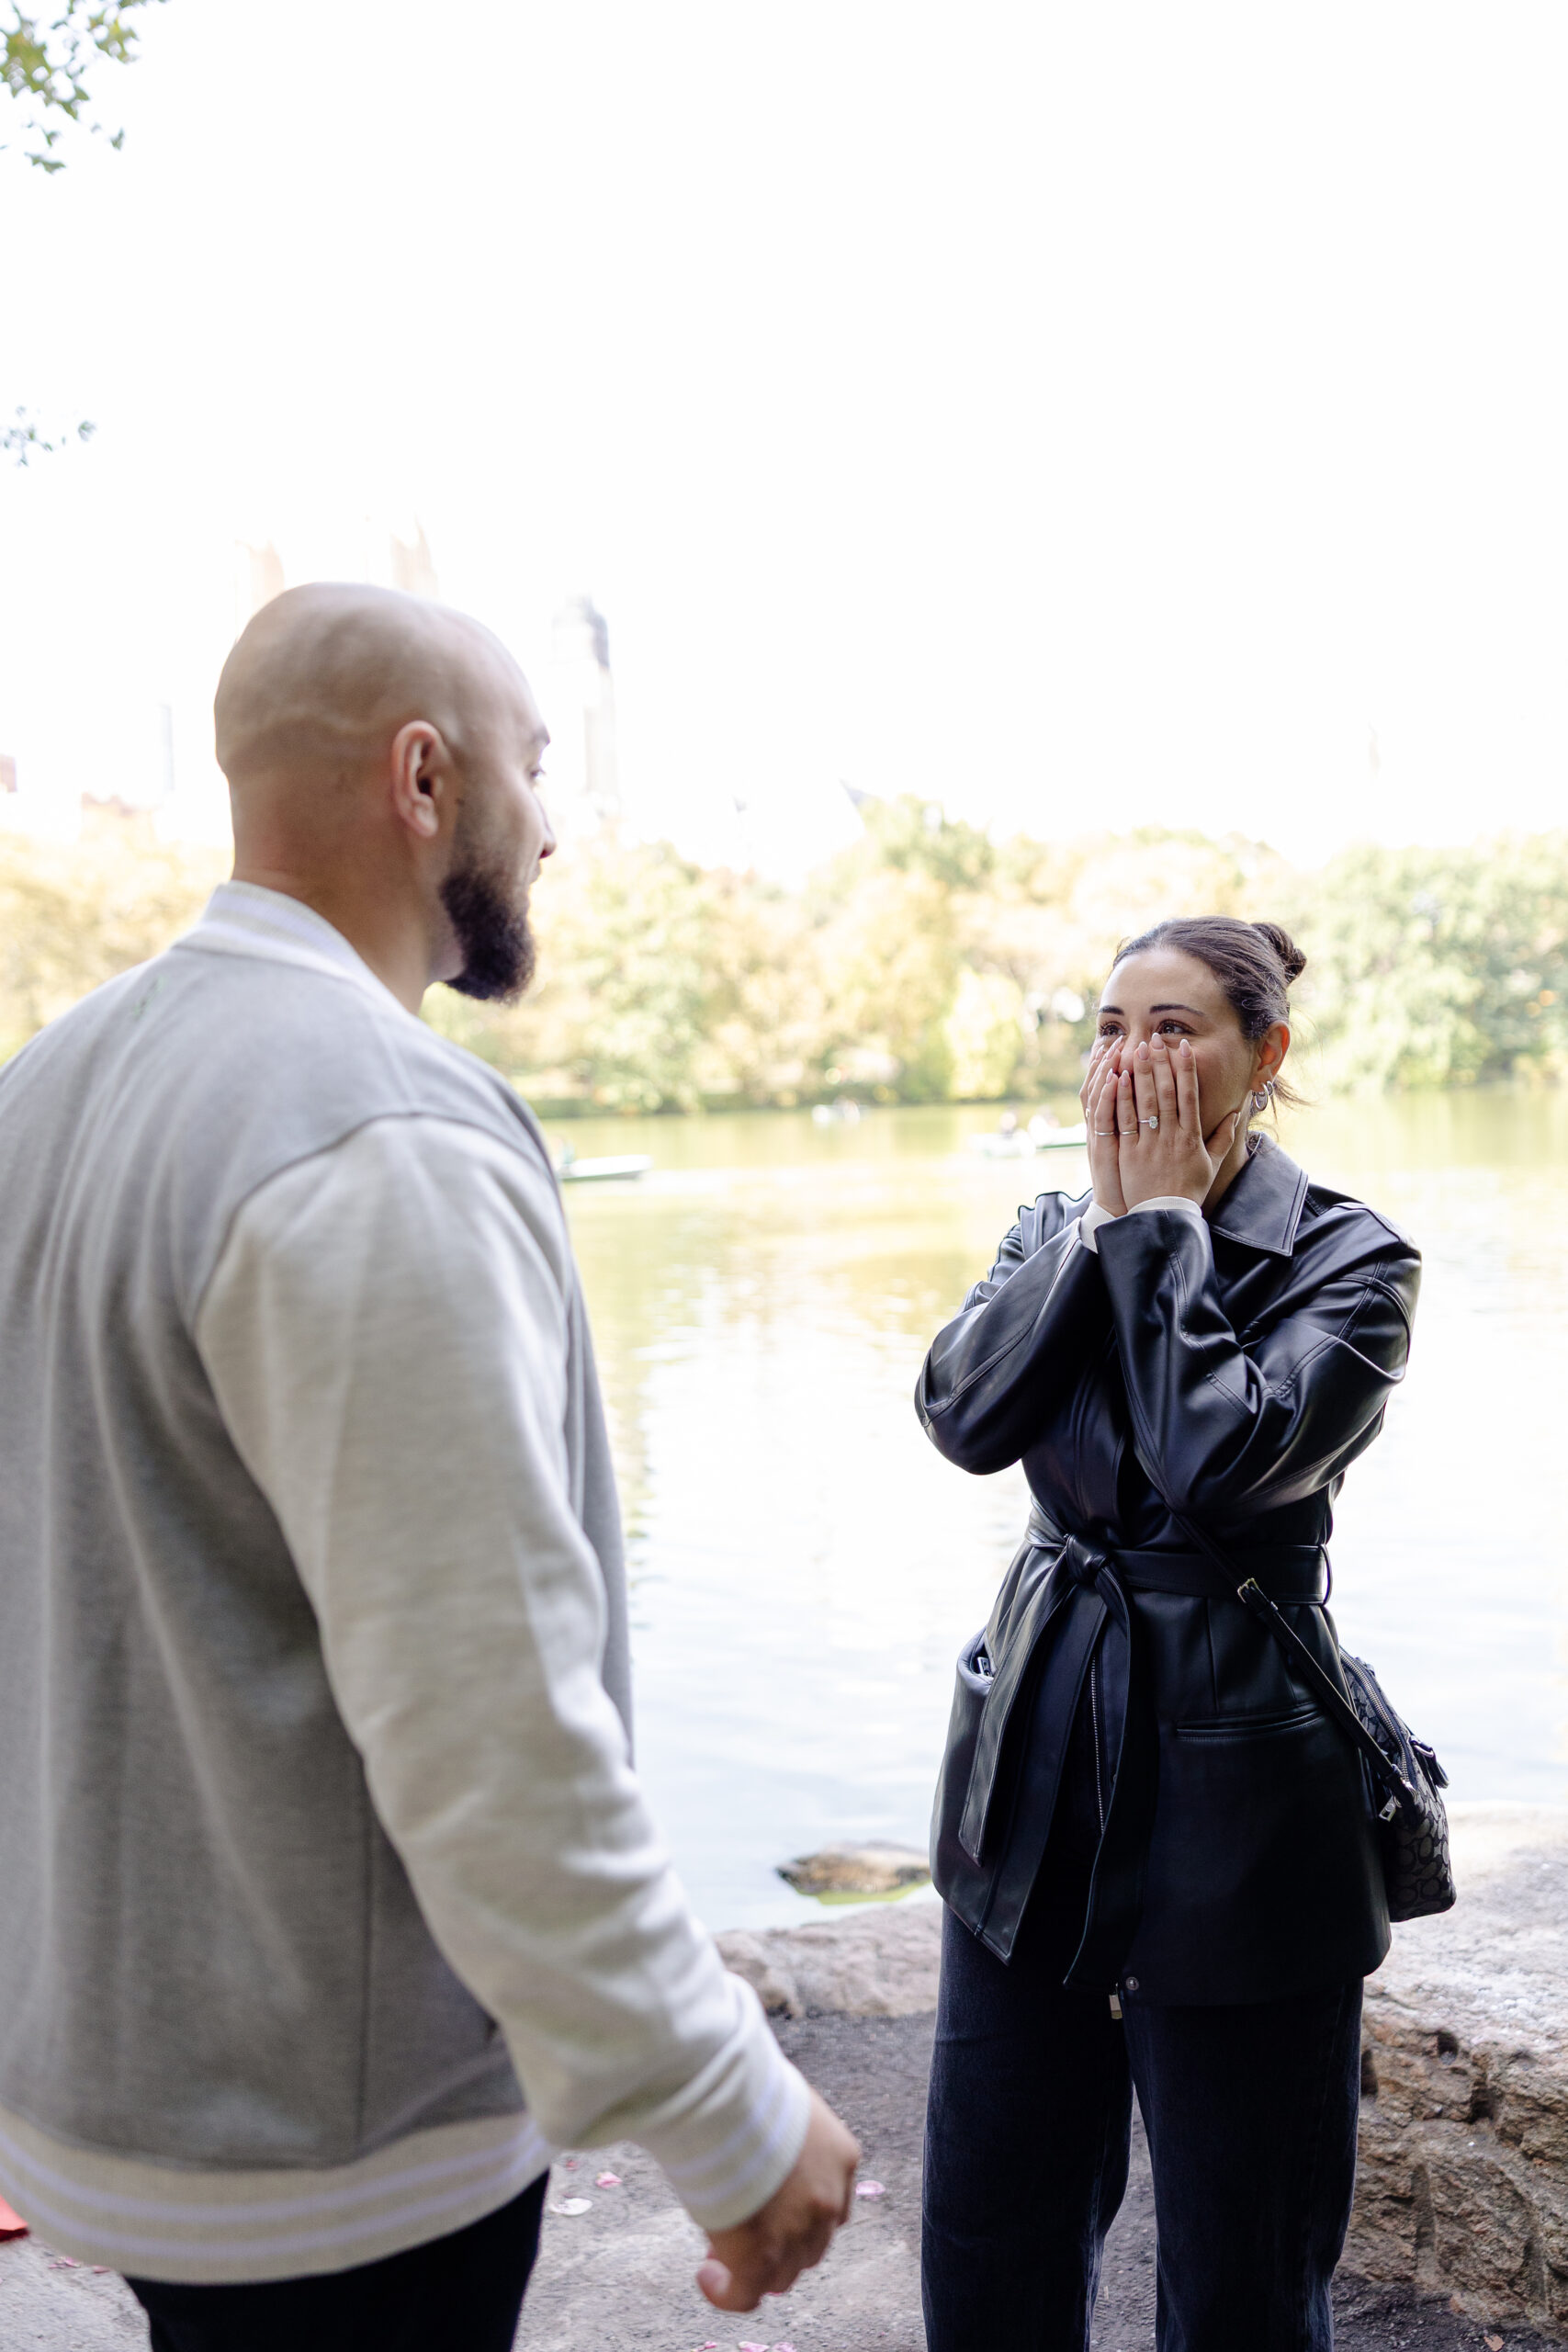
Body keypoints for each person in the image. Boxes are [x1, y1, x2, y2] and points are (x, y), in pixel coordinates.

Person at [0, 583, 858, 2349]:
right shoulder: (377, 1125)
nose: (551, 825)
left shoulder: (47, 1092)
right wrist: (722, 2104)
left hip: (133, 2084)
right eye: (532, 766)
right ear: (421, 779)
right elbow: (484, 1703)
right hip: (336, 2146)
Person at [915, 917, 1421, 2352]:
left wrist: (1161, 1236)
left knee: (1242, 2265)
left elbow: (1222, 1462)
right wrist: (1096, 1230)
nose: (1131, 1060)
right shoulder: (1047, 1223)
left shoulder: (1354, 1262)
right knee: (992, 2224)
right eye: (1111, 1029)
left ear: (1263, 1057)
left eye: (1174, 1028)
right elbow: (960, 1415)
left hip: (1242, 1804)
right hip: (1033, 1777)